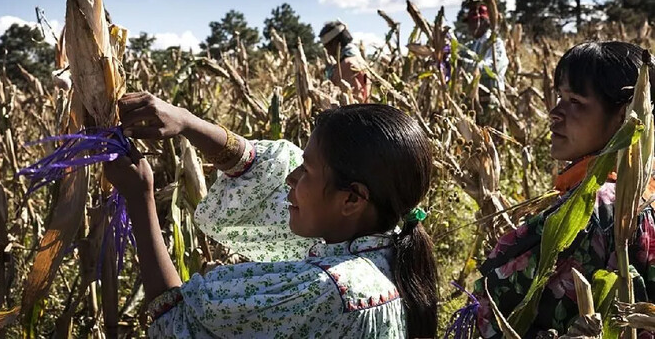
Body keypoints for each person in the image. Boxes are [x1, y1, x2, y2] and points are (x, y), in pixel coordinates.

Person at [105, 93, 438, 338]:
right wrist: (187, 122)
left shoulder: (326, 289)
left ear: (351, 198)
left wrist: (140, 197)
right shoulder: (389, 258)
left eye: (305, 170)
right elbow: (262, 176)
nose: (290, 178)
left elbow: (176, 324)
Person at [473, 41, 655, 338]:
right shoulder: (646, 190)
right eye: (559, 97)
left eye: (575, 101)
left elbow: (495, 306)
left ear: (625, 116)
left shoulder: (591, 209)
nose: (555, 113)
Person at [460, 4, 509, 108]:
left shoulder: (495, 44)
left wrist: (465, 64)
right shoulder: (472, 45)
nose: (469, 26)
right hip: (474, 101)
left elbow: (491, 68)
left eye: (472, 22)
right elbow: (458, 55)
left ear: (483, 22)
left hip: (491, 99)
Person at [319, 20, 371, 102]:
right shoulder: (358, 59)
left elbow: (356, 99)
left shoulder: (347, 65)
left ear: (336, 43)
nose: (327, 52)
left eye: (327, 47)